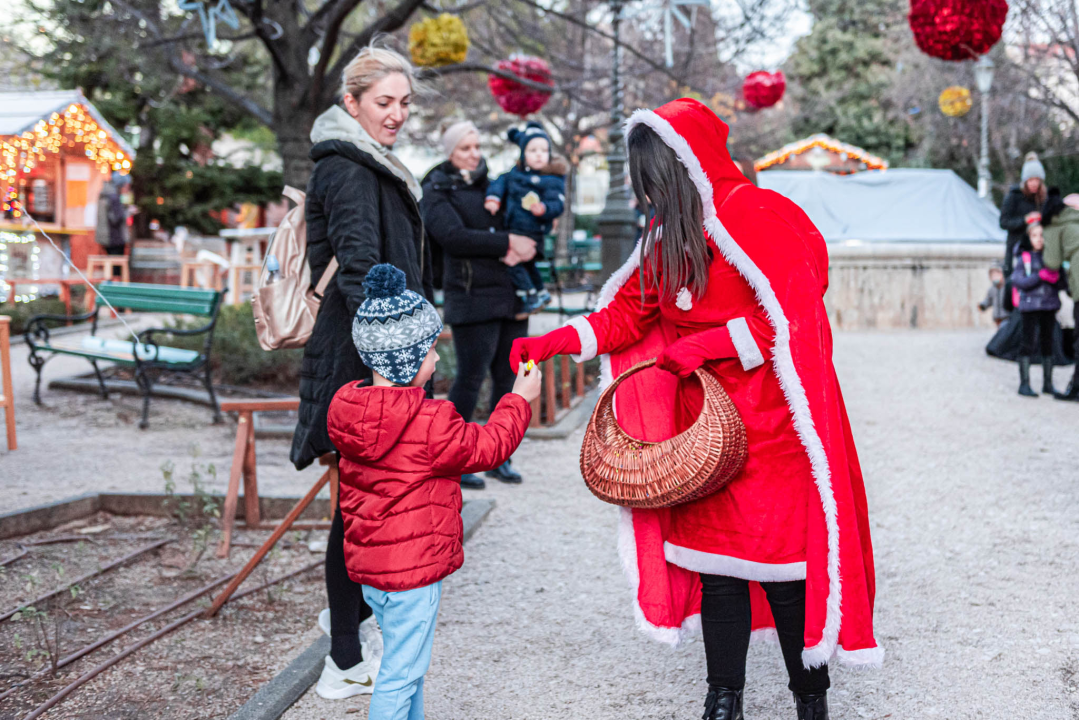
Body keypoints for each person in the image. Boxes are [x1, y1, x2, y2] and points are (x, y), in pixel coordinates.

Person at [510, 99, 879, 720]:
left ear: (686, 163)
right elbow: (627, 314)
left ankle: (810, 697)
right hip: (702, 435)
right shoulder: (668, 236)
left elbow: (791, 316)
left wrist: (709, 343)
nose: (648, 193)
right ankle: (722, 698)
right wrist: (555, 343)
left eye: (656, 177)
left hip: (774, 428)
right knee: (719, 571)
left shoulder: (758, 215)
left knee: (786, 570)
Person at [327, 264, 539, 720]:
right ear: (405, 360)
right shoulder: (428, 422)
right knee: (401, 673)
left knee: (408, 667)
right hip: (413, 573)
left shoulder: (350, 411)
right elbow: (489, 446)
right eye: (429, 352)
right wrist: (518, 398)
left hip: (373, 571)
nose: (438, 360)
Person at [289, 43, 431, 698]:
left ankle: (349, 624)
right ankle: (342, 656)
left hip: (375, 356)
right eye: (383, 103)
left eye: (403, 102)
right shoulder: (348, 169)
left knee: (365, 507)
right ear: (351, 103)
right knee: (357, 512)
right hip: (361, 363)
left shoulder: (373, 163)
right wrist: (393, 369)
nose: (397, 114)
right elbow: (360, 274)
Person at [420, 119, 539, 489]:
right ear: (450, 152)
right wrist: (506, 243)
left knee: (509, 377)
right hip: (470, 296)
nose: (473, 155)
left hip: (509, 294)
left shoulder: (495, 185)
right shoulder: (436, 189)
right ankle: (455, 457)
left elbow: (522, 227)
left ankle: (500, 456)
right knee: (469, 379)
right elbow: (452, 237)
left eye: (476, 147)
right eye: (464, 149)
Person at [484, 121, 566, 315]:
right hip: (514, 227)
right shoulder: (513, 175)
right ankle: (541, 291)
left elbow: (558, 204)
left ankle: (530, 294)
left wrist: (545, 209)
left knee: (511, 260)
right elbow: (499, 182)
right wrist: (494, 198)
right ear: (523, 154)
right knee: (527, 264)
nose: (539, 154)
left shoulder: (552, 179)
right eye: (533, 150)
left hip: (533, 231)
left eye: (543, 150)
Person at [1011, 221, 1062, 397]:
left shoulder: (1052, 256)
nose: (1039, 239)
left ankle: (1048, 383)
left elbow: (1060, 283)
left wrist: (1057, 277)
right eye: (1034, 235)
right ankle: (1024, 383)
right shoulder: (1023, 257)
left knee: (1048, 344)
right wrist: (1039, 276)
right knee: (1028, 343)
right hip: (1030, 306)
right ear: (1028, 237)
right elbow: (1019, 281)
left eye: (1042, 235)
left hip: (1049, 305)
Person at [1000, 152, 1049, 279]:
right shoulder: (1014, 196)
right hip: (1016, 251)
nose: (1034, 183)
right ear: (1025, 180)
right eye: (1031, 179)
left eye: (1037, 179)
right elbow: (1003, 222)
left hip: (1037, 253)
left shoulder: (1043, 198)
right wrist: (1025, 220)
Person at [95, 172, 130, 261]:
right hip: (114, 238)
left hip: (107, 237)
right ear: (120, 185)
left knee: (112, 264)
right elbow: (116, 218)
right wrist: (127, 212)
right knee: (116, 267)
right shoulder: (114, 197)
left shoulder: (105, 194)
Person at [978, 261, 1009, 327]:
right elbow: (988, 300)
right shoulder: (992, 289)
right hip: (997, 318)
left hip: (1006, 316)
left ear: (1001, 275)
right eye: (993, 276)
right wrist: (983, 306)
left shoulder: (1006, 287)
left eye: (996, 275)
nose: (995, 278)